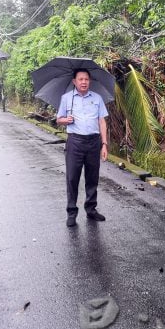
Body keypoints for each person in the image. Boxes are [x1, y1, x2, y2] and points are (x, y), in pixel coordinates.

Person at [56, 68, 109, 227]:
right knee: (72, 178)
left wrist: (104, 144)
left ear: (89, 81)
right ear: (74, 81)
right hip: (75, 142)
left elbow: (102, 122)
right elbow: (58, 119)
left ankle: (91, 209)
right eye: (80, 79)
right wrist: (66, 120)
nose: (84, 82)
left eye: (86, 79)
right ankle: (71, 212)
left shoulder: (97, 98)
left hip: (93, 142)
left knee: (92, 177)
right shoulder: (66, 98)